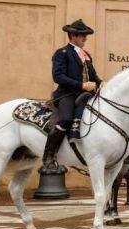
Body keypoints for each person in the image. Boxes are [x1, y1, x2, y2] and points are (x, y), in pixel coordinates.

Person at [42, 19, 103, 173]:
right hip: (67, 94)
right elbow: (58, 76)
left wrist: (101, 82)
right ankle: (49, 155)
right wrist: (81, 85)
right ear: (72, 36)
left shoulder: (86, 55)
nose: (85, 38)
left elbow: (93, 75)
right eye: (82, 35)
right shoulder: (62, 53)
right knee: (66, 119)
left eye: (85, 35)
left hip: (86, 94)